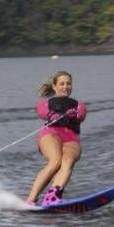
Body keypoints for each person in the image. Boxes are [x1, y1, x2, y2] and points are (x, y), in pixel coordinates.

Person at [26, 71, 88, 205]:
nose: (66, 86)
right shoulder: (45, 103)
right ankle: (31, 199)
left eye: (68, 84)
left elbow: (82, 115)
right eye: (62, 84)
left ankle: (53, 195)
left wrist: (75, 114)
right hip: (51, 133)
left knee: (68, 160)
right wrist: (51, 114)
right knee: (55, 160)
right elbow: (41, 111)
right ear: (55, 86)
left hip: (71, 137)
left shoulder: (79, 105)